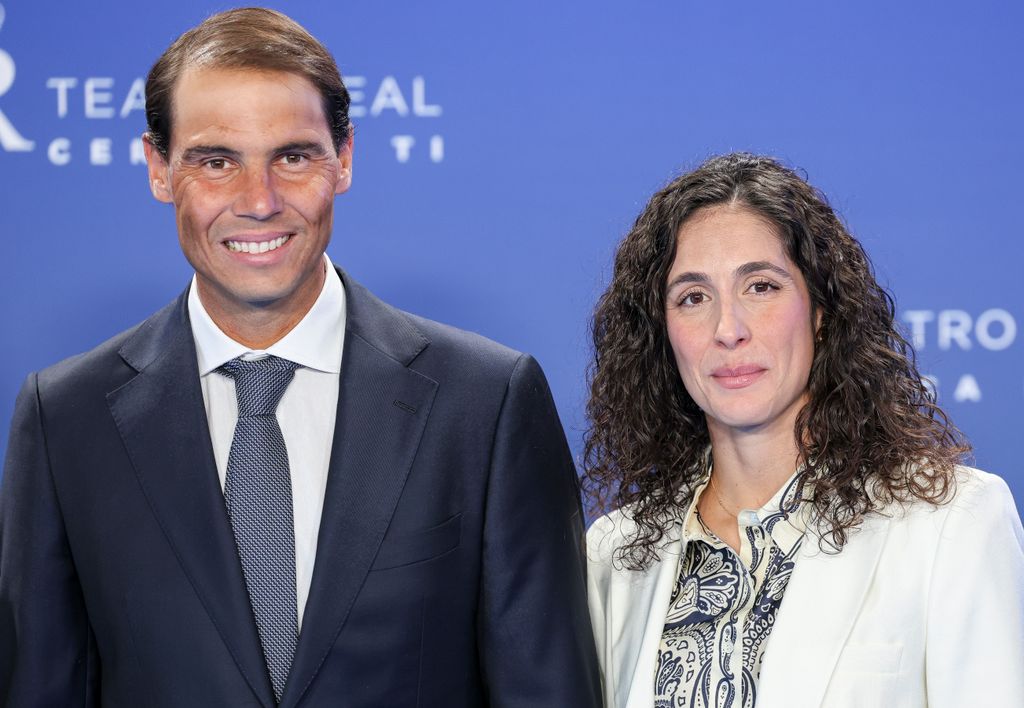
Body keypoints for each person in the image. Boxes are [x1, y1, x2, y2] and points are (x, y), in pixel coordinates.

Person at [0, 8, 600, 707]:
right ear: (159, 169)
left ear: (344, 159)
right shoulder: (65, 419)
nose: (259, 202)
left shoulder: (486, 403)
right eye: (216, 161)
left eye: (292, 157)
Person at [583, 152, 1024, 708]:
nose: (728, 329)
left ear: (820, 310)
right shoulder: (615, 554)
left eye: (761, 287)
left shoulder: (952, 522)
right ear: (662, 332)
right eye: (693, 297)